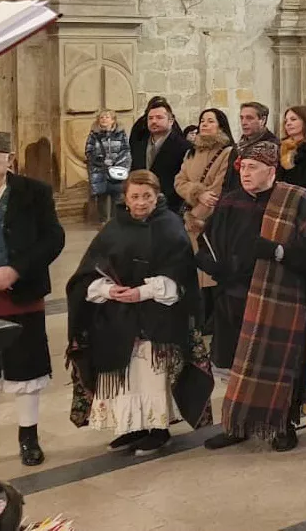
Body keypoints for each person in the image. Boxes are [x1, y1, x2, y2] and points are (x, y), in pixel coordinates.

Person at [194, 140, 306, 452]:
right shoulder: (230, 203)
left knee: (280, 365)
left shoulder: (297, 200)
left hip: (278, 297)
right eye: (243, 167)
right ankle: (237, 424)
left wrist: (280, 252)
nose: (245, 173)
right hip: (234, 293)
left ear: (272, 170)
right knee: (236, 365)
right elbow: (207, 243)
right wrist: (213, 266)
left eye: (253, 167)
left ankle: (282, 425)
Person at [65, 170, 213, 455]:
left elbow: (181, 276)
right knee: (124, 374)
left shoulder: (170, 225)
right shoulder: (113, 228)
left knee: (149, 375)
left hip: (156, 317)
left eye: (147, 196)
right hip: (117, 316)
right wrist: (108, 290)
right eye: (135, 197)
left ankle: (157, 429)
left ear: (157, 196)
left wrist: (142, 292)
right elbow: (86, 272)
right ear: (126, 198)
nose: (141, 202)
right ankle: (131, 427)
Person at [0, 132, 66, 466]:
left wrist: (17, 270)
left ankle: (28, 437)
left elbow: (53, 238)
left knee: (27, 365)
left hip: (22, 293)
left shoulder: (34, 193)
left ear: (11, 158)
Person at [175, 108, 235, 326]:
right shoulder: (191, 153)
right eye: (202, 120)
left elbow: (218, 189)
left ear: (220, 125)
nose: (205, 124)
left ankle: (211, 318)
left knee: (210, 270)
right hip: (191, 215)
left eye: (210, 121)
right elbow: (179, 182)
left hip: (210, 219)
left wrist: (197, 215)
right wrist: (197, 192)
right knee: (195, 270)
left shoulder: (227, 152)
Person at [130, 99, 190, 212]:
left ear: (171, 121)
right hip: (141, 206)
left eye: (159, 118)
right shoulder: (140, 145)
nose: (154, 121)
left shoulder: (183, 147)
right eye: (150, 118)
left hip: (170, 206)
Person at [85, 109, 132, 224]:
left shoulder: (120, 134)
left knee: (117, 196)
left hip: (116, 170)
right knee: (101, 197)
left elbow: (125, 150)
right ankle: (103, 221)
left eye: (107, 117)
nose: (104, 119)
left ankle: (116, 221)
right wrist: (101, 161)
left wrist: (117, 163)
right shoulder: (94, 135)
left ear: (113, 120)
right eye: (101, 117)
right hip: (100, 170)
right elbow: (89, 151)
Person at [224, 101, 278, 193]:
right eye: (241, 118)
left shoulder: (272, 147)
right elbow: (228, 180)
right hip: (233, 199)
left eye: (249, 118)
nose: (244, 122)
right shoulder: (238, 147)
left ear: (263, 120)